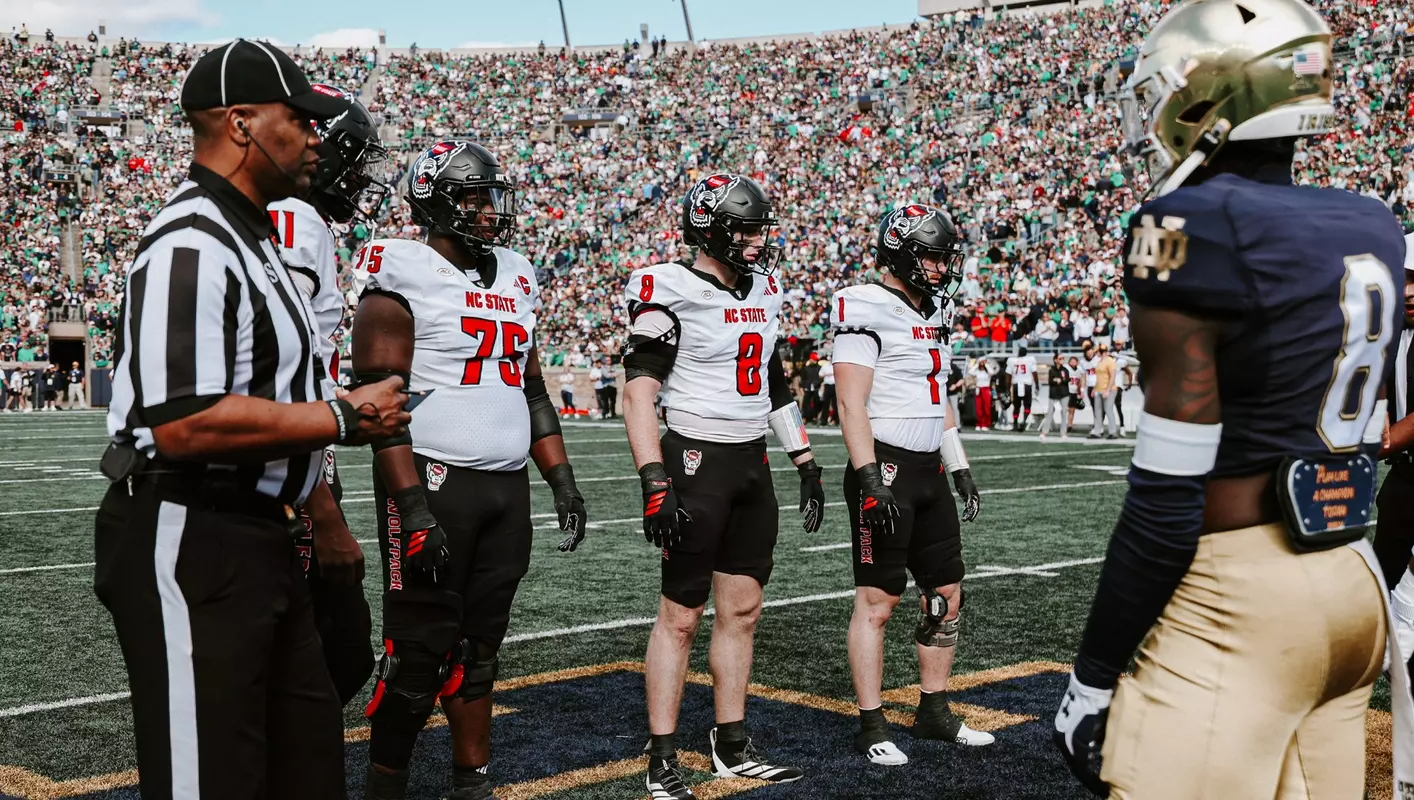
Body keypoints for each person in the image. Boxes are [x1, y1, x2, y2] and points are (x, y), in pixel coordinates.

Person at [1053, 4, 1410, 797]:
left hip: (1241, 595)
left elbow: (1166, 499)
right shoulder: (1372, 219)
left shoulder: (1192, 223)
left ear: (1207, 96)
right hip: (1354, 575)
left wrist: (1094, 673)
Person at [92, 39, 408, 800]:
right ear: (240, 122)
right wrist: (339, 416)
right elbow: (184, 423)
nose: (308, 136)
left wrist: (318, 502)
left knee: (306, 767)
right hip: (193, 527)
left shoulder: (253, 235)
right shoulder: (191, 240)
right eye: (295, 118)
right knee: (213, 780)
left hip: (263, 530)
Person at [354, 140, 589, 800]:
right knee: (416, 654)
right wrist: (412, 508)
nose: (489, 211)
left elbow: (533, 387)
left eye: (491, 197)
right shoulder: (400, 270)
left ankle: (471, 781)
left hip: (505, 486)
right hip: (433, 478)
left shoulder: (515, 272)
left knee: (479, 651)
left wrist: (560, 478)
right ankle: (384, 787)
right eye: (474, 198)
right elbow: (379, 401)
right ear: (435, 203)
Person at [621, 173, 824, 800]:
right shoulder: (669, 286)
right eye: (743, 228)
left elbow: (774, 385)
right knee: (680, 615)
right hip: (694, 462)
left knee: (743, 610)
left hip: (750, 465)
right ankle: (661, 754)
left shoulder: (765, 289)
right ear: (708, 228)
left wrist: (805, 460)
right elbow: (639, 390)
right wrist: (655, 478)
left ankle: (731, 744)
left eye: (758, 228)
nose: (756, 240)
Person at [832, 204, 990, 767]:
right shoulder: (864, 304)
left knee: (947, 593)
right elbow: (850, 401)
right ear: (900, 254)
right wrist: (869, 477)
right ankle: (871, 722)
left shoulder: (935, 310)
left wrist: (961, 462)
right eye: (931, 256)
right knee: (879, 602)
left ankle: (933, 709)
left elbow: (938, 397)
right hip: (887, 467)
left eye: (945, 257)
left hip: (928, 469)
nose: (942, 268)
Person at [269, 85, 392, 711]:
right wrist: (320, 506)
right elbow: (275, 368)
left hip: (293, 470)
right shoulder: (295, 220)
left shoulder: (285, 218)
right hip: (282, 483)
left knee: (325, 658)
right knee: (331, 656)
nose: (359, 176)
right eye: (355, 157)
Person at [1376, 233, 1414, 686]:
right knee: (1380, 589)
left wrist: (1381, 441)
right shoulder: (1390, 333)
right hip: (1404, 482)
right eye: (1401, 278)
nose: (1407, 289)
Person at [1038, 352, 1070, 442]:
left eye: (1063, 358)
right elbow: (1051, 381)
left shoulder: (1065, 370)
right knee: (1050, 412)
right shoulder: (1052, 370)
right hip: (1054, 393)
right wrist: (1057, 380)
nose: (1062, 360)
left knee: (1064, 412)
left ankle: (1063, 432)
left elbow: (1067, 379)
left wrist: (1059, 380)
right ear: (1055, 360)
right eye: (1060, 358)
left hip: (1064, 393)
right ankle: (1044, 432)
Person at [1090, 343, 1118, 440]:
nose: (1096, 353)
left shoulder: (1110, 361)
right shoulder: (1099, 362)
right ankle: (1097, 431)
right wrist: (1094, 388)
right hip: (1099, 389)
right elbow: (1099, 378)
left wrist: (1108, 390)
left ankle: (1113, 432)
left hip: (1109, 389)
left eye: (1097, 351)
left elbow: (1112, 376)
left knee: (1108, 409)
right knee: (1097, 411)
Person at [1005, 345, 1036, 431]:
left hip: (1016, 385)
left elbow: (1008, 375)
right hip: (1027, 385)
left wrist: (1007, 388)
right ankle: (1024, 421)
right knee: (1027, 405)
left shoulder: (1012, 361)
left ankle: (1015, 423)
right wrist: (1037, 385)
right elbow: (1034, 373)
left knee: (1016, 406)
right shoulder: (1030, 360)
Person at [969, 356, 993, 431]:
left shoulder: (988, 372)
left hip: (986, 389)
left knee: (986, 407)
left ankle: (986, 424)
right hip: (978, 389)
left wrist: (986, 364)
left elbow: (992, 372)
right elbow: (970, 372)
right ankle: (979, 423)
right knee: (979, 408)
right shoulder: (977, 371)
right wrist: (977, 364)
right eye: (981, 363)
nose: (982, 364)